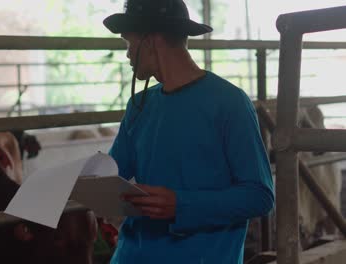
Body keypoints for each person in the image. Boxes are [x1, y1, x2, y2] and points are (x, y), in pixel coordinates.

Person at [104, 0, 275, 263]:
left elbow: (259, 196)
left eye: (129, 43)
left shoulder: (229, 102)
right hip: (133, 254)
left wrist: (181, 205)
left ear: (150, 40)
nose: (127, 54)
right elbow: (112, 174)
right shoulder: (140, 105)